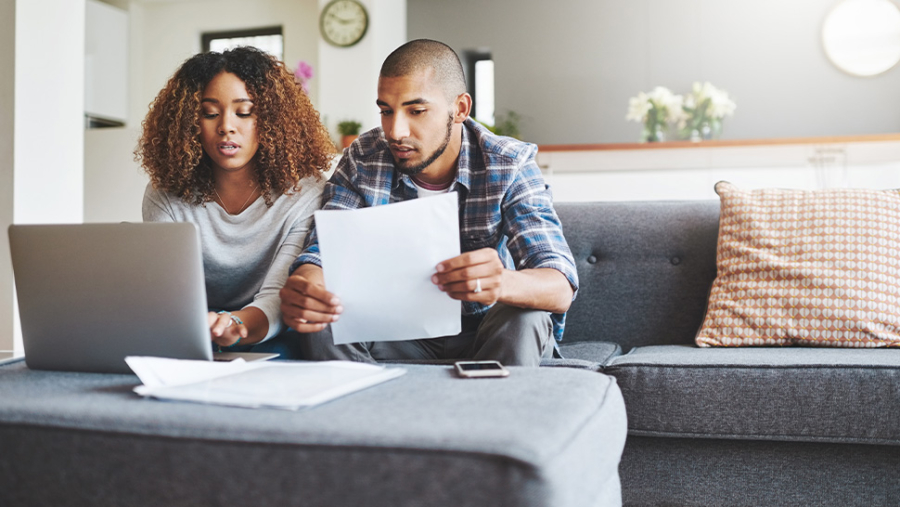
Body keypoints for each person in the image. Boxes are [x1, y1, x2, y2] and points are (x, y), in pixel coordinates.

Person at [280, 39, 578, 367]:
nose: (395, 130)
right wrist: (309, 284)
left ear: (460, 109)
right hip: (397, 333)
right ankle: (359, 417)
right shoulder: (363, 159)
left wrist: (502, 282)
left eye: (416, 110)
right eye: (386, 111)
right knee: (325, 319)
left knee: (527, 317)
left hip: (487, 332)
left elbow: (559, 285)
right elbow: (322, 252)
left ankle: (494, 415)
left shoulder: (507, 164)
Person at [138, 46, 334, 356]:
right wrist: (202, 327)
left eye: (244, 112)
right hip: (190, 329)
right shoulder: (166, 192)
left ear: (271, 120)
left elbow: (277, 297)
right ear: (189, 122)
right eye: (210, 113)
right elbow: (167, 292)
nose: (226, 126)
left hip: (269, 329)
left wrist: (232, 327)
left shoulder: (305, 193)